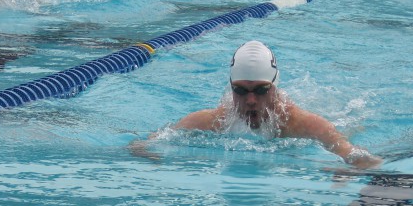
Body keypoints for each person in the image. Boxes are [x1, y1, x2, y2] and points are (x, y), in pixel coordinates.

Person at [130, 40, 382, 169]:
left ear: (275, 87)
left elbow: (363, 159)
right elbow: (145, 144)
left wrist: (349, 171)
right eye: (240, 90)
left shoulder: (305, 125)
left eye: (261, 90)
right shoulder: (211, 121)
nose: (251, 100)